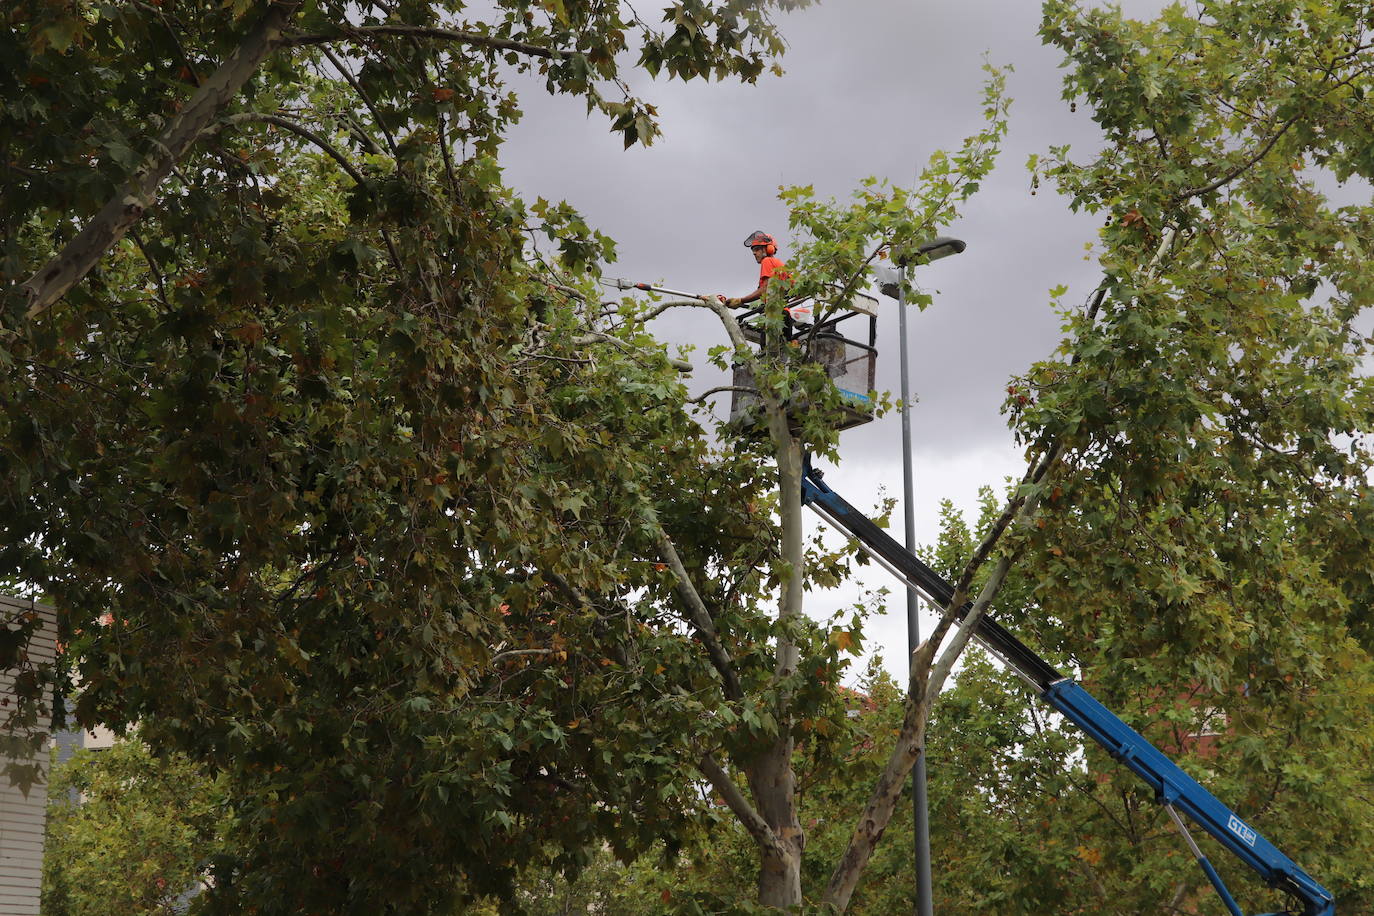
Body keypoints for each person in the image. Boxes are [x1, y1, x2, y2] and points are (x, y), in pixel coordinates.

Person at [719, 230, 790, 309]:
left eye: (757, 249)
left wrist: (741, 300)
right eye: (753, 250)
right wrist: (740, 303)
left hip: (777, 314)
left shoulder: (767, 261)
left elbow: (765, 289)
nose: (754, 253)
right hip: (780, 311)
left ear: (769, 249)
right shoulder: (778, 264)